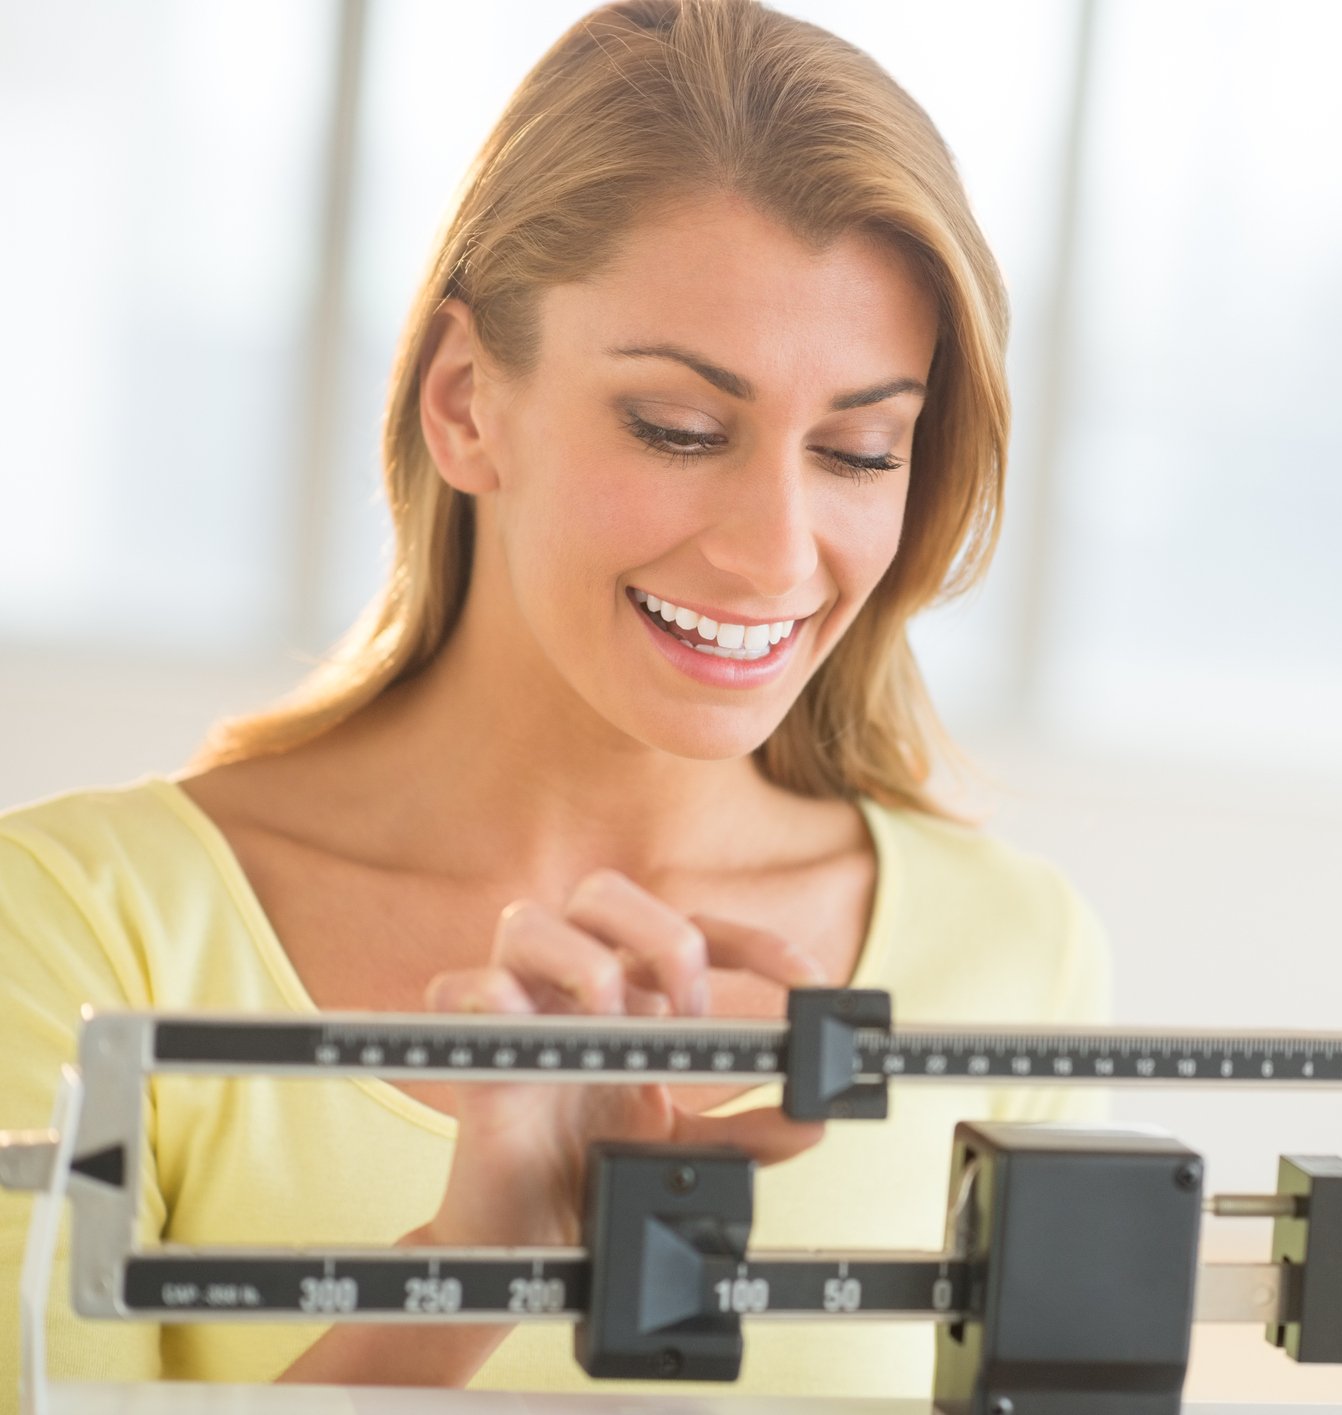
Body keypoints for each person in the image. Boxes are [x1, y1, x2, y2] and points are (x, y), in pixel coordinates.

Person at [0, 0, 1110, 1397]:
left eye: (860, 449)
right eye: (679, 429)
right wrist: (470, 1270)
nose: (777, 552)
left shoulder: (1019, 953)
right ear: (466, 400)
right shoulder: (75, 934)